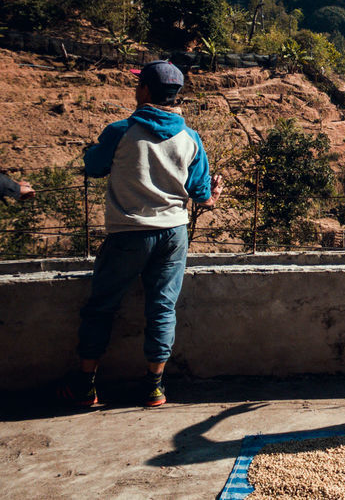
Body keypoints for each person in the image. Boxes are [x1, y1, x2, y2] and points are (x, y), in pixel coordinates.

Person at [58, 61, 223, 408]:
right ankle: (154, 387)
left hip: (127, 233)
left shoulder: (120, 131)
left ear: (145, 90)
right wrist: (215, 195)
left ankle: (86, 386)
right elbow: (202, 195)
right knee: (162, 308)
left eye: (138, 85)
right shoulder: (190, 138)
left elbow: (94, 167)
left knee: (101, 307)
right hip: (173, 234)